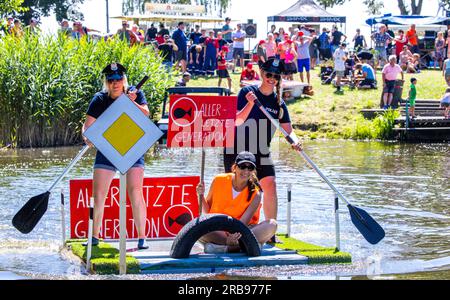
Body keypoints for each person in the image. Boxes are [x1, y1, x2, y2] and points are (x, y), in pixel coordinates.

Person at [223, 58, 303, 235]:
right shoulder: (247, 92)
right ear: (261, 73)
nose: (272, 78)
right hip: (238, 149)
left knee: (270, 184)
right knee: (239, 188)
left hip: (261, 149)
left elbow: (288, 130)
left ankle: (270, 231)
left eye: (276, 76)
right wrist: (251, 104)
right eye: (269, 74)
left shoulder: (279, 103)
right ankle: (230, 230)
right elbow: (236, 120)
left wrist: (295, 141)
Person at [81, 63, 150, 250]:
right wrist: (86, 136)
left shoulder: (135, 94)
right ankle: (94, 237)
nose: (115, 83)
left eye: (118, 79)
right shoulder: (99, 99)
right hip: (107, 149)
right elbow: (87, 127)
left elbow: (146, 114)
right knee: (99, 195)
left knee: (135, 191)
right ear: (106, 82)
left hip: (132, 147)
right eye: (111, 80)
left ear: (124, 80)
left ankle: (142, 239)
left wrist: (130, 103)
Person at [197, 152, 277, 253]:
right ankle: (242, 247)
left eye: (250, 168)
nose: (246, 171)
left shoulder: (256, 194)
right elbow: (207, 211)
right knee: (197, 226)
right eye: (242, 166)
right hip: (218, 230)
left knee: (272, 225)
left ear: (253, 171)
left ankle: (225, 248)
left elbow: (242, 225)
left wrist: (232, 238)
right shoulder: (218, 180)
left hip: (241, 232)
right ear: (235, 167)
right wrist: (200, 195)